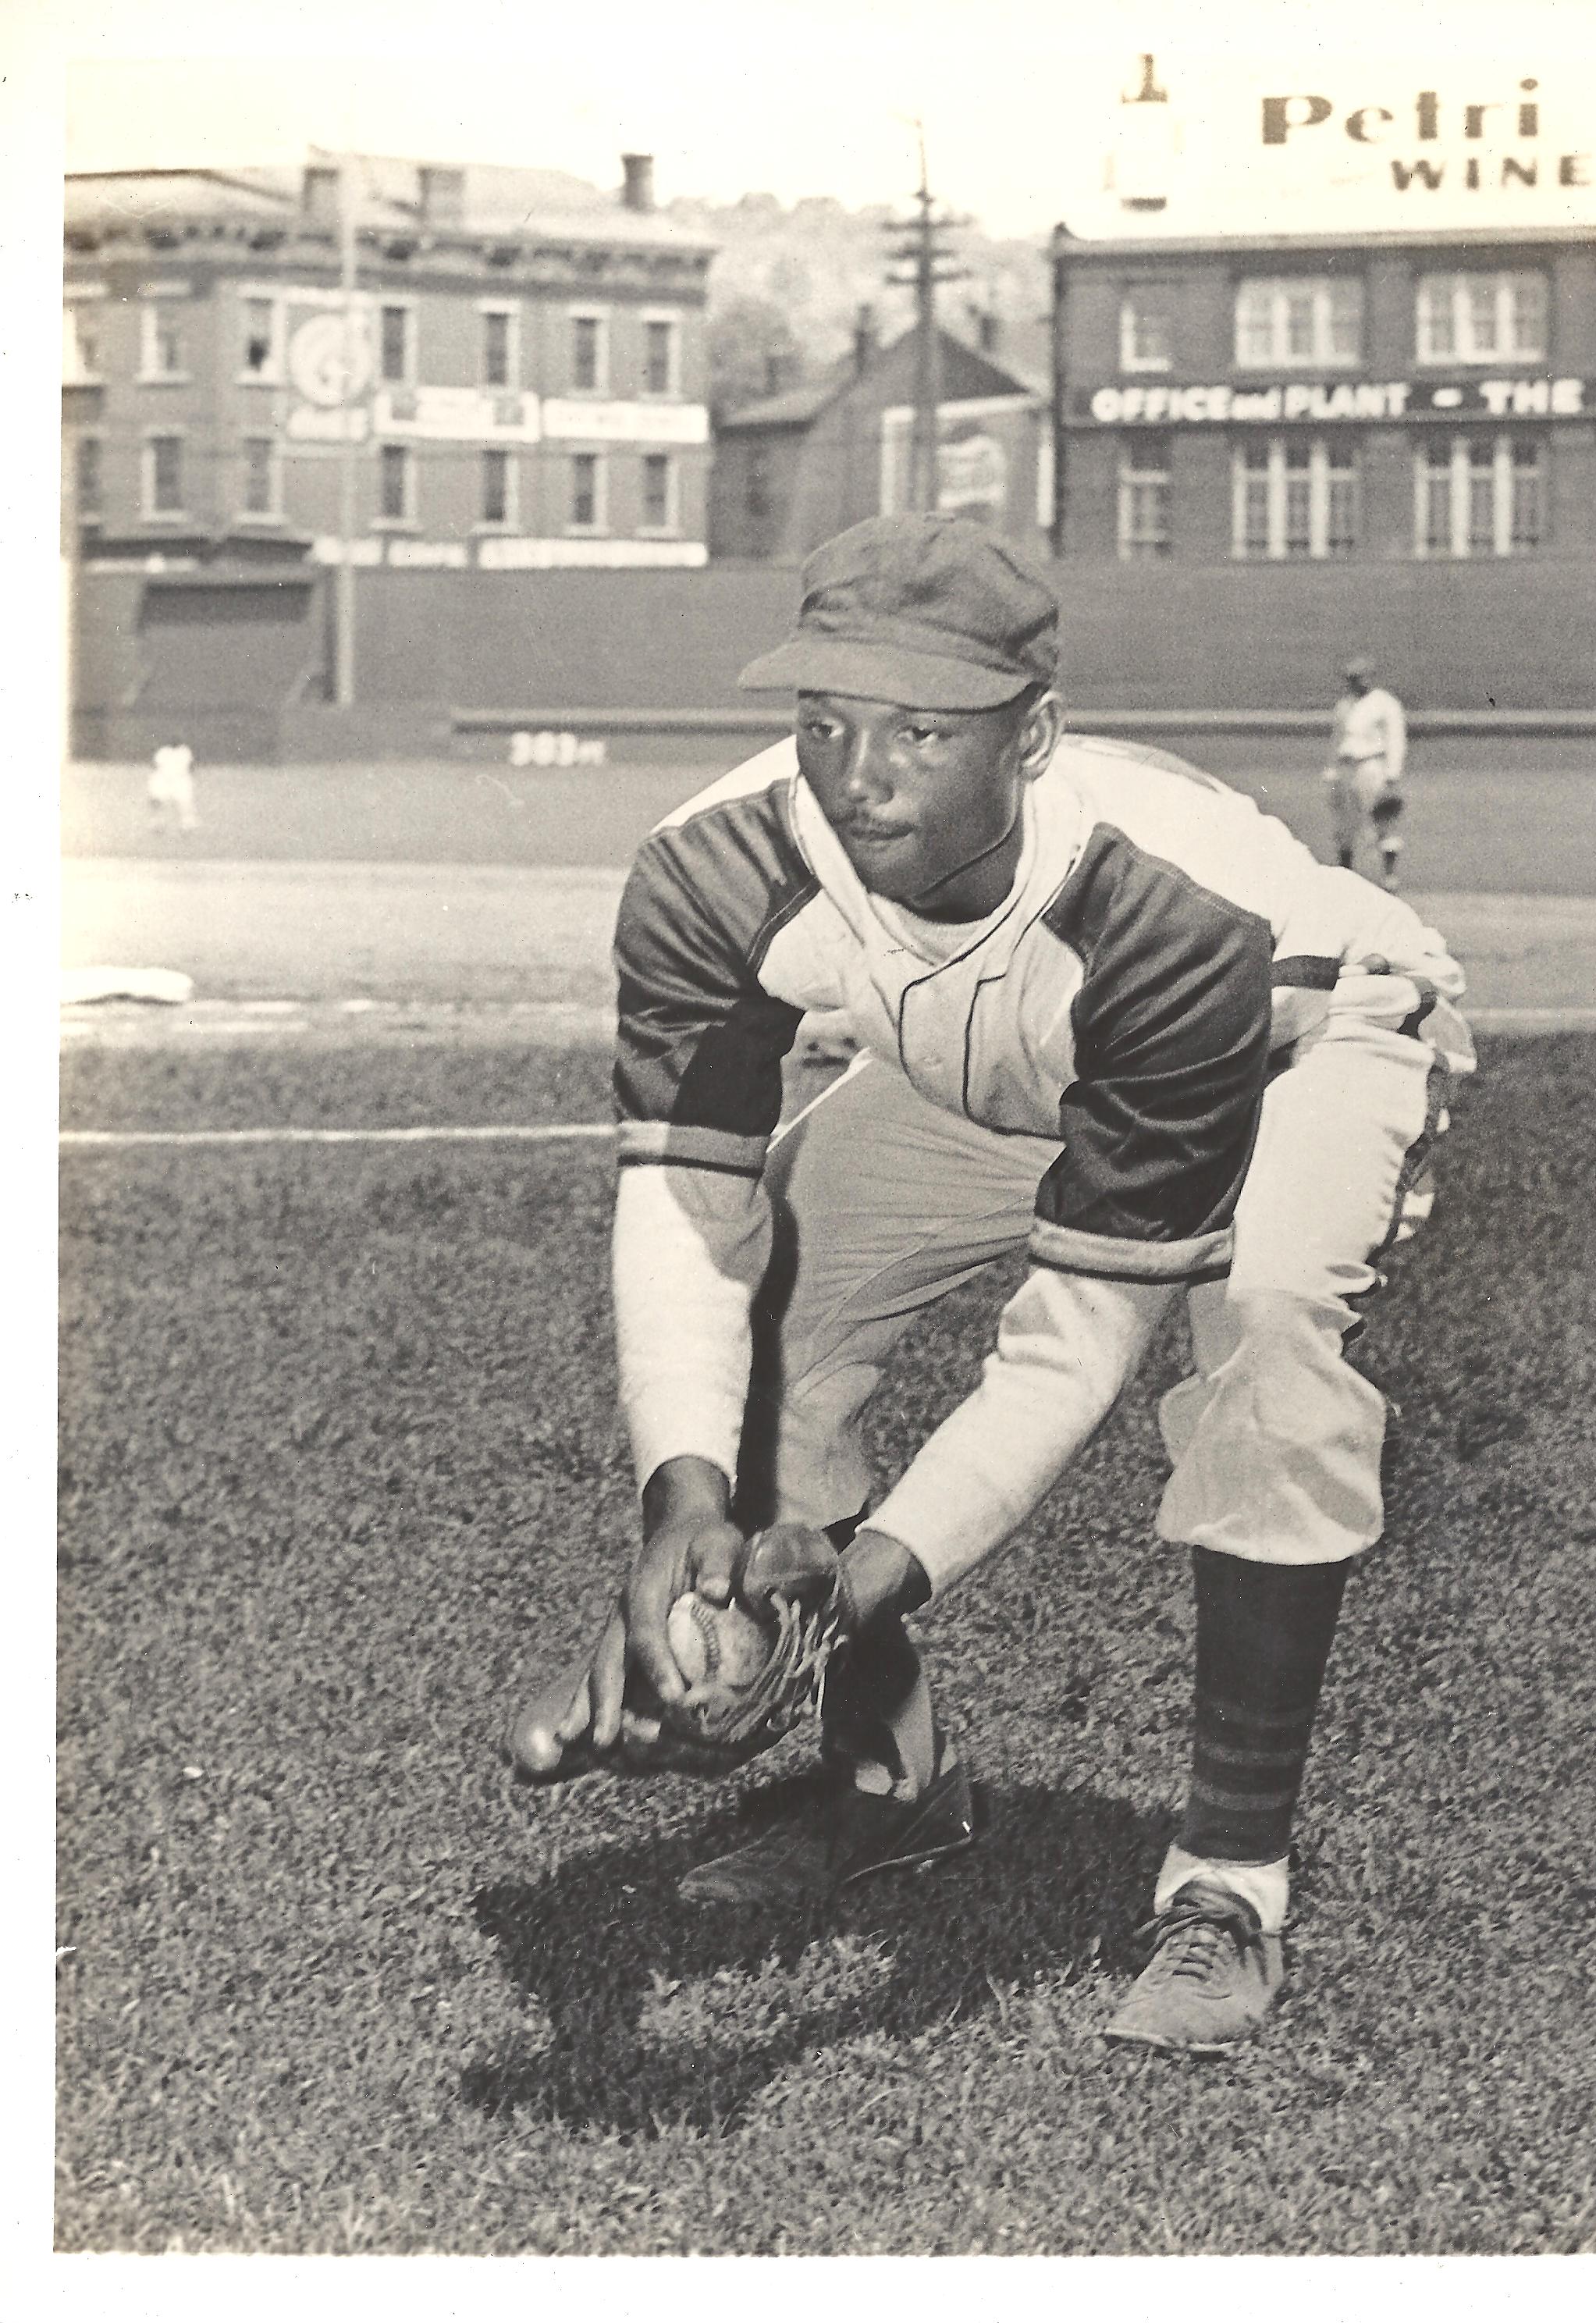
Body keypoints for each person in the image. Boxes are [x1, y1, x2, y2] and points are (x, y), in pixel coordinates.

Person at [510, 514, 1474, 2057]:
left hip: (1300, 1033)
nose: (859, 772)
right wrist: (683, 1498)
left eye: (923, 728)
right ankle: (890, 1789)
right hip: (993, 1070)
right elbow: (691, 1202)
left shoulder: (1171, 906)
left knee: (1267, 1342)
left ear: (1034, 737)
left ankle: (1228, 1877)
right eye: (823, 720)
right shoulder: (715, 863)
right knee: (775, 1339)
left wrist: (863, 1581)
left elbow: (1073, 1343)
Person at [1324, 656, 1406, 891]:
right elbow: (1337, 740)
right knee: (1345, 825)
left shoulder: (1385, 703)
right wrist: (1332, 770)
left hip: (1373, 766)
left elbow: (1396, 739)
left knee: (1383, 822)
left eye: (1360, 677)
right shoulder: (1344, 706)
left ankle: (1390, 877)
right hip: (1346, 769)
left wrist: (1392, 774)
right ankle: (1344, 878)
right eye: (1351, 678)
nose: (1356, 682)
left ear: (1370, 677)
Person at [148, 738, 198, 834]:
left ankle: (187, 825)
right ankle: (158, 824)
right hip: (165, 779)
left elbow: (192, 766)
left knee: (184, 803)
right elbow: (155, 766)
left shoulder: (184, 751)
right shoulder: (164, 752)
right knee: (158, 802)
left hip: (180, 780)